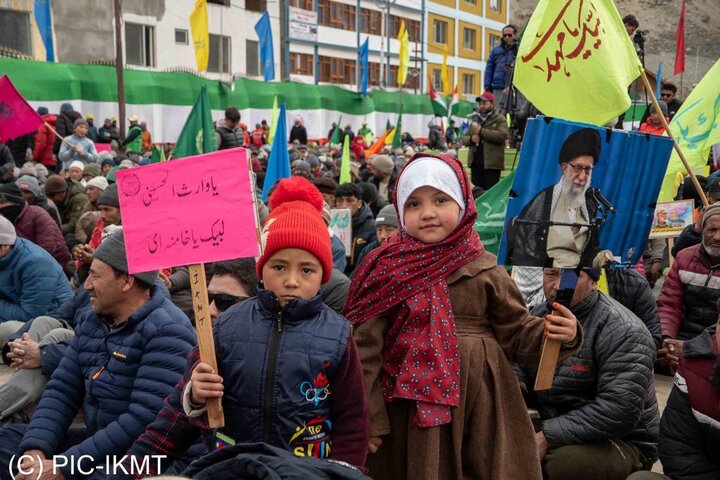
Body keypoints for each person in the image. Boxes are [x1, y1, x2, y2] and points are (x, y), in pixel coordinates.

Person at [344, 153, 579, 479]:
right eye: (413, 204)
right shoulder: (386, 270)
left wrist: (558, 333)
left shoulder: (485, 268)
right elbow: (364, 351)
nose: (427, 213)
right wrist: (370, 418)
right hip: (405, 409)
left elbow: (517, 332)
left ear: (463, 202)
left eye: (440, 199)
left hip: (480, 407)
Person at [121, 177, 368, 476]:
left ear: (323, 276)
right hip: (230, 469)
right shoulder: (226, 327)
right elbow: (174, 417)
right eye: (279, 267)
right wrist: (195, 396)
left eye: (306, 269)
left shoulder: (339, 335)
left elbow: (352, 421)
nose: (291, 280)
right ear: (261, 270)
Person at [0, 230, 197, 480]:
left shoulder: (168, 331)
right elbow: (63, 388)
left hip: (144, 457)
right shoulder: (94, 320)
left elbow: (142, 421)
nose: (87, 286)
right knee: (9, 444)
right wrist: (36, 449)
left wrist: (64, 467)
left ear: (126, 281)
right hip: (99, 442)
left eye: (94, 276)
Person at [515, 268, 659, 479]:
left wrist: (547, 436)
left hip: (618, 439)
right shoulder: (535, 318)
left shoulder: (626, 331)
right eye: (551, 275)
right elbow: (516, 366)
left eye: (572, 276)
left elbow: (619, 410)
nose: (558, 286)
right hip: (552, 421)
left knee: (564, 464)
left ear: (593, 281)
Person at [506, 128, 603, 268]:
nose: (582, 177)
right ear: (564, 168)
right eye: (578, 168)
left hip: (580, 279)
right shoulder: (542, 202)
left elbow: (590, 253)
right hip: (547, 278)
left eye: (587, 170)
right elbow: (524, 252)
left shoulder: (590, 204)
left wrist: (600, 258)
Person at [658, 204, 720, 373]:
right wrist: (668, 339)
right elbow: (670, 304)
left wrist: (689, 348)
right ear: (702, 231)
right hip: (682, 337)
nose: (717, 237)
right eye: (711, 230)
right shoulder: (684, 258)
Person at [0, 217, 72, 345]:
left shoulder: (35, 263)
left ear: (6, 245)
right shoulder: (6, 256)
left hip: (50, 321)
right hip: (15, 309)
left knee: (6, 330)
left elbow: (30, 314)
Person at [0, 183, 69, 268]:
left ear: (16, 202)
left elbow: (48, 245)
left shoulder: (38, 214)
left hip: (53, 262)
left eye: (4, 202)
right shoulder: (4, 219)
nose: (1, 206)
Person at [463, 92, 509, 190]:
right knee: (477, 195)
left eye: (485, 103)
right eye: (480, 104)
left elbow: (502, 136)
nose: (482, 106)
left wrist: (481, 131)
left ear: (492, 104)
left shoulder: (500, 119)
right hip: (476, 164)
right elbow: (464, 139)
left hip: (491, 165)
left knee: (490, 194)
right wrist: (471, 139)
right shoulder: (475, 119)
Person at [335, 183, 376, 275]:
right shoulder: (330, 225)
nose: (344, 205)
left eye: (349, 201)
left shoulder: (371, 227)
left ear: (359, 204)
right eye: (339, 201)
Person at [44, 174, 89, 246]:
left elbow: (73, 225)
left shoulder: (79, 199)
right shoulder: (61, 198)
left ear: (62, 194)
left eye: (52, 198)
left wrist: (51, 230)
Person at [484, 24, 518, 110]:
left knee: (514, 113)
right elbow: (489, 69)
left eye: (509, 35)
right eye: (504, 35)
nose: (507, 37)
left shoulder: (519, 50)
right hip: (498, 87)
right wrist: (487, 86)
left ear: (515, 35)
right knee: (498, 112)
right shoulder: (496, 50)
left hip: (514, 89)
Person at [354, 204, 398, 269]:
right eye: (379, 229)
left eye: (389, 229)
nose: (382, 235)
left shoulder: (409, 252)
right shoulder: (368, 251)